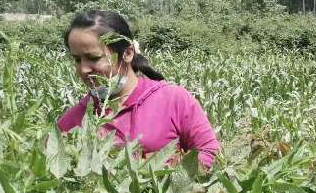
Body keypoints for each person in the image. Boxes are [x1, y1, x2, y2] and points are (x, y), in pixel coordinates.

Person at [58, 10, 219, 168]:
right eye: (77, 59)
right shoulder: (76, 119)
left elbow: (209, 152)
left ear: (127, 54)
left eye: (93, 58)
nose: (83, 69)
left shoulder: (172, 99)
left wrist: (165, 179)